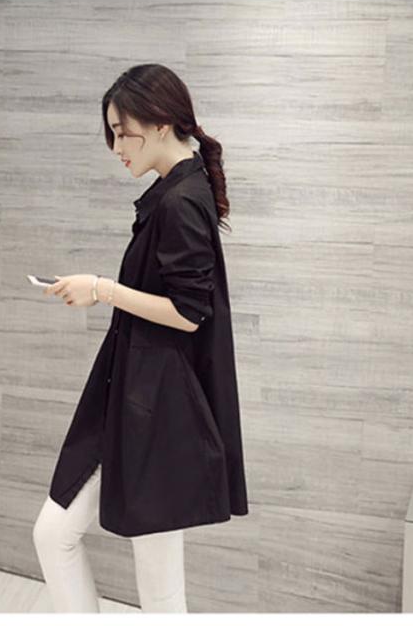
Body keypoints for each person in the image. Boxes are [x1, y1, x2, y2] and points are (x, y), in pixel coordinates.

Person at [33, 63, 249, 613]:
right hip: (142, 399)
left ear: (158, 124)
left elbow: (188, 313)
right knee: (129, 572)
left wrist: (101, 288)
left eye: (120, 132)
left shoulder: (180, 200)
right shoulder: (179, 190)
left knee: (149, 583)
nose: (115, 148)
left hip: (157, 409)